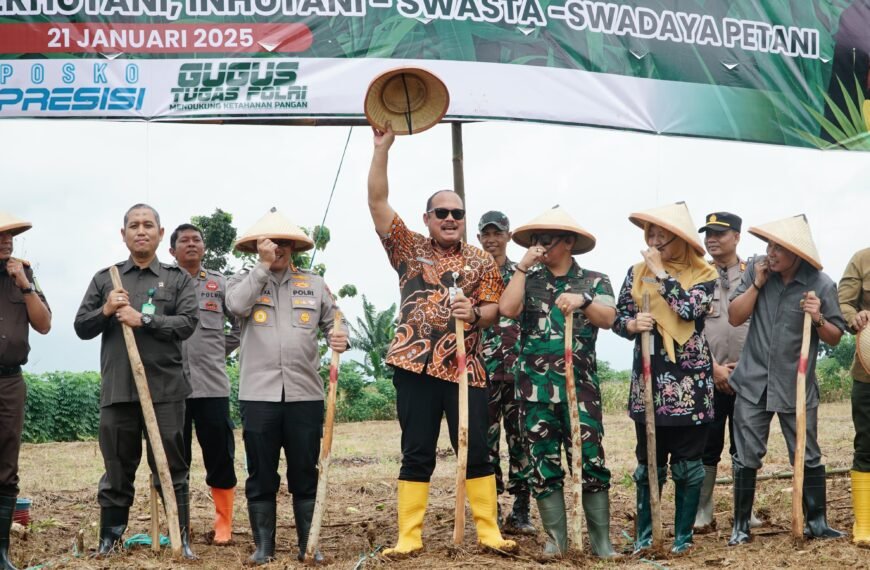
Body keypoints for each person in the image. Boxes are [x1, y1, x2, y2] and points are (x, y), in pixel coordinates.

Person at [367, 123, 515, 555]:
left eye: (458, 213)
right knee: (417, 451)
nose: (451, 219)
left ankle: (488, 530)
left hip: (466, 368)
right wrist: (382, 148)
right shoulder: (407, 248)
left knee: (477, 450)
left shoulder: (481, 259)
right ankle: (408, 537)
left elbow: (494, 309)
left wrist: (475, 313)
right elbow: (377, 201)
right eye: (442, 213)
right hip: (413, 366)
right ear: (427, 219)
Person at [74, 204, 199, 559]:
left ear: (161, 234)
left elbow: (188, 323)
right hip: (118, 391)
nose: (140, 231)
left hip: (166, 390)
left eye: (148, 225)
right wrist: (107, 310)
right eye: (133, 225)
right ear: (123, 234)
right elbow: (82, 327)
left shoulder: (177, 279)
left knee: (172, 467)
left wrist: (144, 319)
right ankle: (109, 541)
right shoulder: (105, 279)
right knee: (116, 468)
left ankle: (180, 536)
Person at [226, 208, 347, 565]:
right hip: (258, 395)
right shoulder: (242, 280)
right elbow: (235, 306)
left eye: (281, 243)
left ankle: (308, 546)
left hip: (304, 395)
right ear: (257, 247)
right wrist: (260, 268)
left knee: (304, 472)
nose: (275, 248)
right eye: (268, 243)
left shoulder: (313, 282)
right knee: (261, 473)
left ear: (293, 246)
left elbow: (336, 320)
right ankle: (263, 547)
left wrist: (341, 337)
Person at [499, 206, 618, 559]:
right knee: (542, 463)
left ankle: (601, 543)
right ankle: (556, 541)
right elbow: (507, 309)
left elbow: (609, 318)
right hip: (534, 390)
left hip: (579, 390)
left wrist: (583, 302)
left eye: (546, 240)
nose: (540, 246)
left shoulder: (594, 281)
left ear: (568, 242)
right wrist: (521, 267)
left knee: (591, 462)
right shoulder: (528, 280)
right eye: (535, 240)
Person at [727, 214, 846, 545]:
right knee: (747, 455)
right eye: (769, 245)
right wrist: (757, 284)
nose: (771, 252)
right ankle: (740, 525)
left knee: (807, 453)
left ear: (797, 253)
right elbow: (735, 316)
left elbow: (836, 336)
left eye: (780, 247)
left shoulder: (821, 284)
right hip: (753, 382)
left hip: (797, 385)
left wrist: (818, 316)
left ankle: (817, 522)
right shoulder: (756, 270)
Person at [612, 202, 718, 554]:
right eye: (650, 235)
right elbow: (619, 316)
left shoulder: (705, 275)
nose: (654, 242)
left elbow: (688, 309)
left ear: (681, 240)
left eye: (663, 236)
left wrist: (662, 274)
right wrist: (630, 324)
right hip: (649, 380)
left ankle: (682, 538)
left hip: (691, 383)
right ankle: (647, 534)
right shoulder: (635, 272)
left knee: (688, 466)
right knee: (649, 465)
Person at [168, 223, 239, 545]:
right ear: (172, 251)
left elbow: (240, 325)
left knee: (219, 454)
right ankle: (177, 523)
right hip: (169, 387)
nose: (191, 244)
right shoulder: (161, 282)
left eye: (197, 239)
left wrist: (215, 351)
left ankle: (223, 525)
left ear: (204, 248)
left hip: (211, 385)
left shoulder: (218, 284)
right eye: (184, 241)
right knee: (172, 458)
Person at [693, 212, 759, 532]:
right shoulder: (697, 274)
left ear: (736, 236)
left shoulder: (754, 275)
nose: (711, 239)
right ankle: (703, 512)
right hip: (708, 375)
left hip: (747, 375)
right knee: (707, 445)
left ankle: (744, 513)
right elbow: (690, 330)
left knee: (744, 445)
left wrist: (743, 369)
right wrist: (714, 368)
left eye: (719, 233)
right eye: (708, 233)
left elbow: (763, 325)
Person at [476, 211, 534, 535]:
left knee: (521, 443)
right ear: (479, 238)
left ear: (508, 236)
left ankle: (521, 510)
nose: (491, 239)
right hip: (482, 373)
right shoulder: (471, 276)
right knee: (485, 445)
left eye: (497, 233)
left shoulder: (522, 274)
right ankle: (491, 510)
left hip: (519, 371)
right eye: (486, 234)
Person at [0, 212, 51, 570]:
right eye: (1, 236)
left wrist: (24, 285)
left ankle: (1, 553)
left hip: (9, 382)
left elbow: (45, 324)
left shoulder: (23, 274)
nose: (7, 241)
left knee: (6, 466)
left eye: (11, 236)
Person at [839, 247, 870, 546]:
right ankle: (865, 523)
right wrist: (855, 316)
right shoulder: (862, 259)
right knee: (866, 445)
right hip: (867, 369)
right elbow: (843, 302)